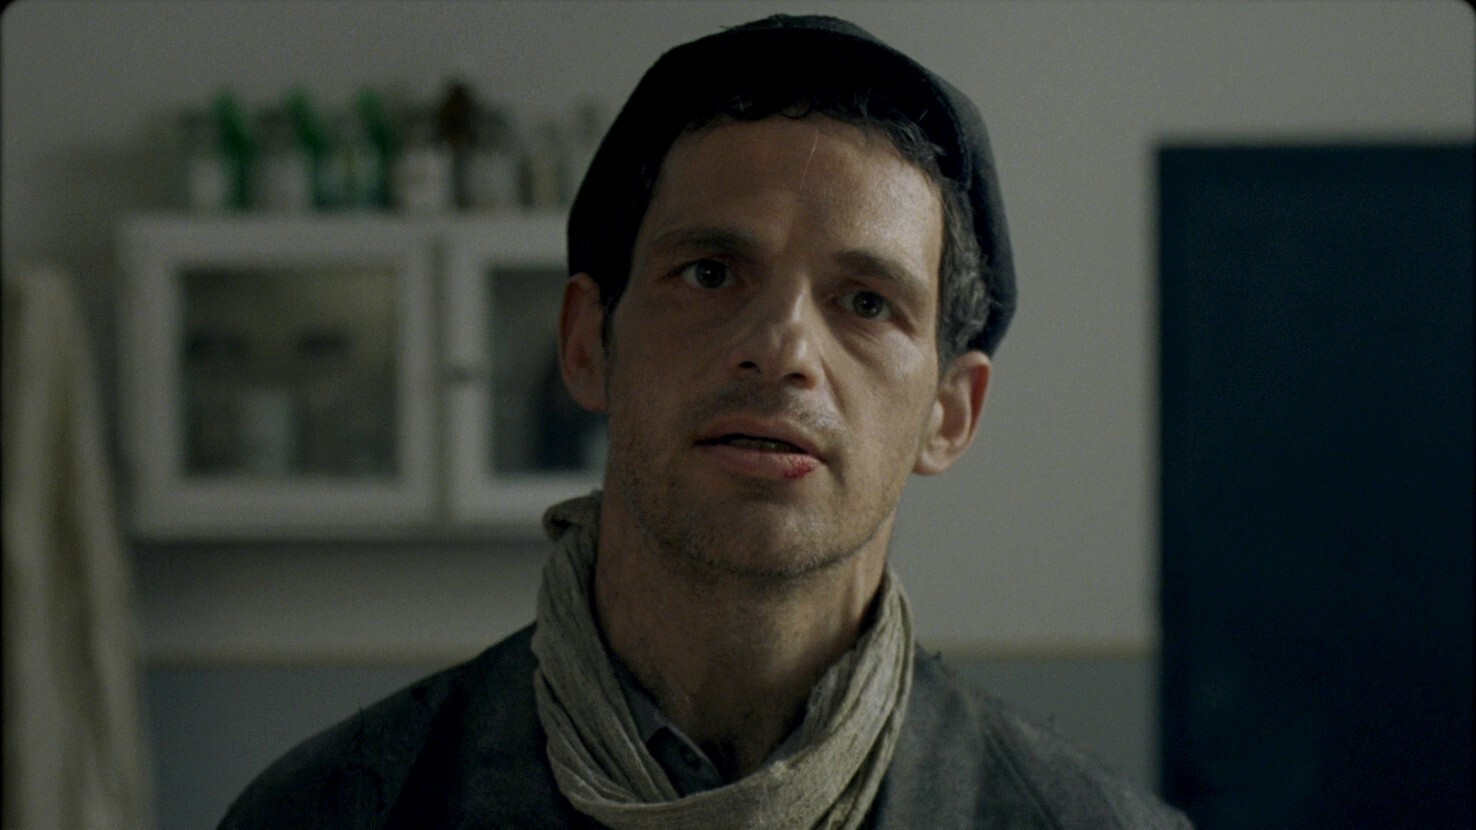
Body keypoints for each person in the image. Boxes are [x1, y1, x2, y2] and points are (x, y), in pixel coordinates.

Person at [221, 15, 1191, 829]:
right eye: (711, 272)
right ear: (588, 343)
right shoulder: (337, 811)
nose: (782, 348)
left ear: (950, 412)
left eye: (866, 302)